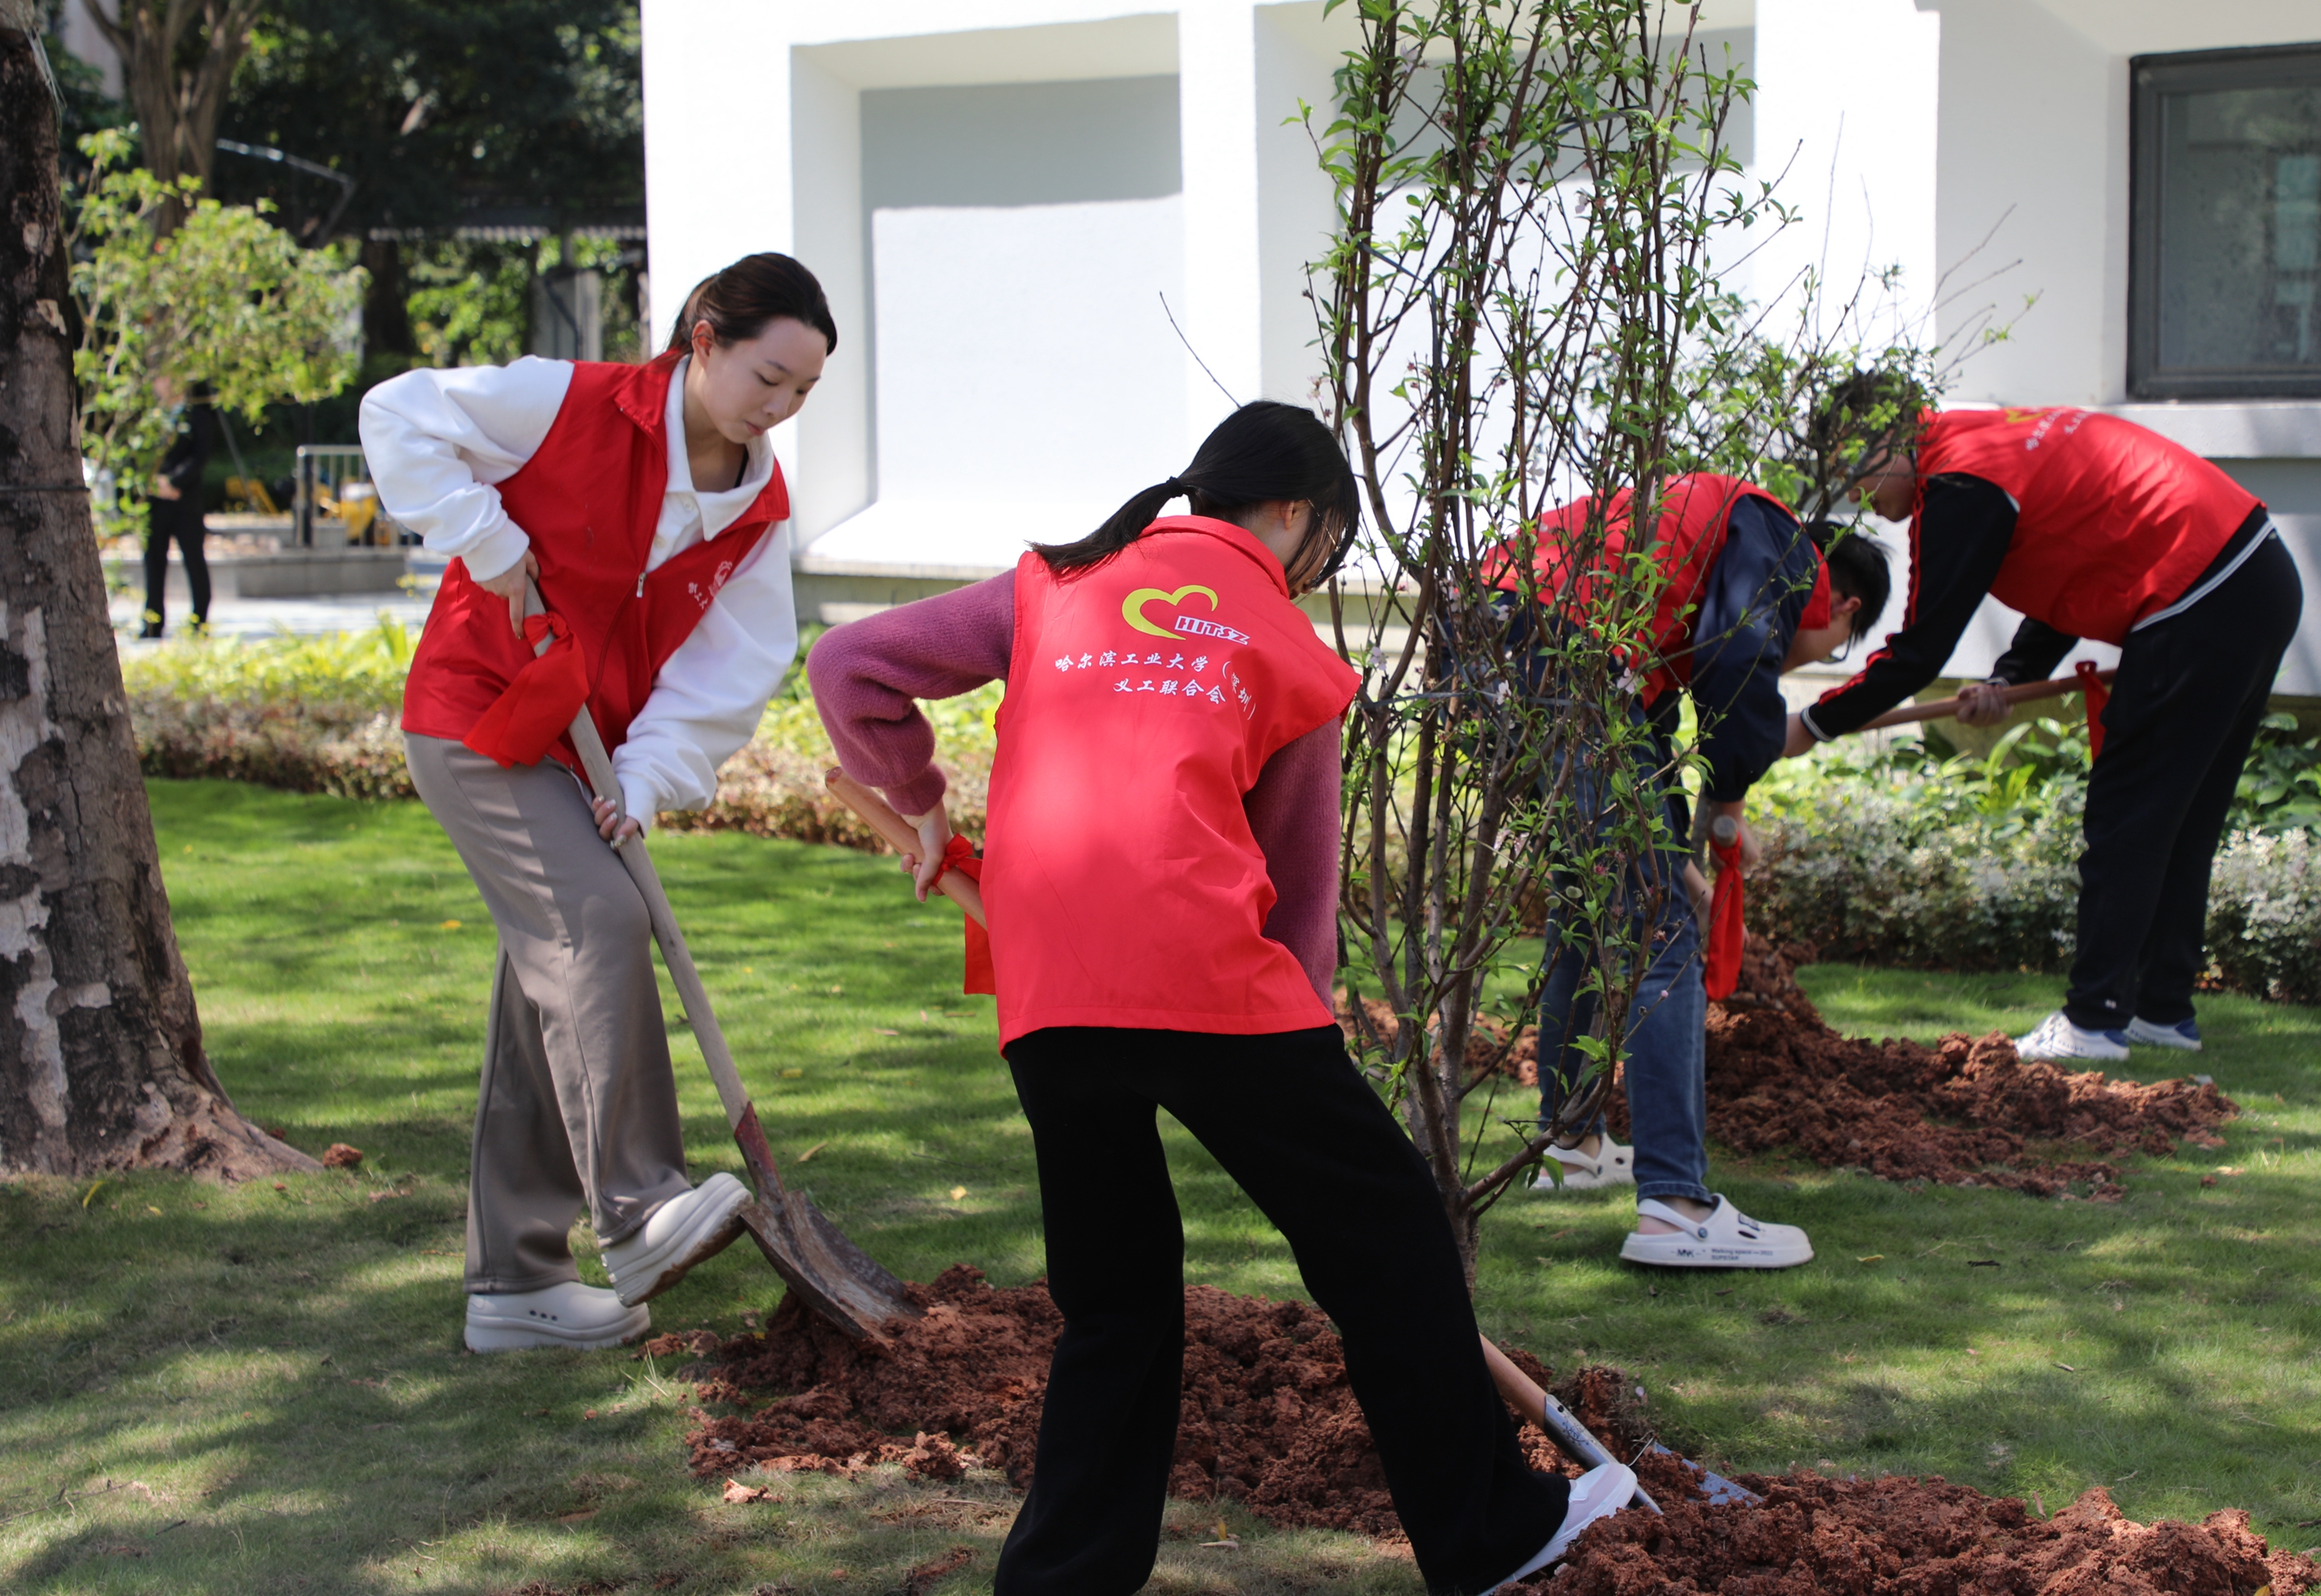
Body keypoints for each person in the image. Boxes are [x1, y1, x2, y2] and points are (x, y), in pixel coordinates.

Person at [807, 403, 1636, 1596]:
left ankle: (1060, 1582)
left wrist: (922, 799)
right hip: (1206, 981)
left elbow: (849, 666)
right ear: (1299, 514)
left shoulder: (1054, 582)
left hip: (1049, 990)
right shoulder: (1288, 643)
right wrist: (1305, 1037)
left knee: (1116, 1298)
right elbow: (1300, 895)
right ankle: (1494, 1536)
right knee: (1389, 1238)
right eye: (1330, 543)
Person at [360, 253, 834, 1352]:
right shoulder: (563, 400)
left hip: (589, 758)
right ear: (703, 337)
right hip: (479, 719)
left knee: (546, 996)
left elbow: (730, 666)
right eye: (769, 376)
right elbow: (399, 413)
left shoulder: (757, 504)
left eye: (803, 391)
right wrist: (484, 534)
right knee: (596, 924)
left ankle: (513, 1287)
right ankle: (635, 1210)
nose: (782, 408)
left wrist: (648, 779)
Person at [1789, 405, 2303, 1063]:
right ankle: (2161, 1009)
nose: (1854, 494)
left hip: (2198, 593)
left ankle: (2094, 1021)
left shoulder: (1959, 482)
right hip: (2255, 575)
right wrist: (2012, 676)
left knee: (2130, 815)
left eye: (1850, 471)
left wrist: (1812, 723)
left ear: (1887, 437)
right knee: (2181, 818)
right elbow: (2076, 564)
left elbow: (1920, 652)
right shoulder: (1990, 444)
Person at [1496, 474, 1890, 1269]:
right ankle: (1676, 1204)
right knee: (1660, 937)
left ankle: (1573, 1141)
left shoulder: (1695, 563)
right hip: (1566, 656)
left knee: (1589, 912)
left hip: (1509, 635)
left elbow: (1658, 710)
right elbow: (1740, 661)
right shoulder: (1782, 547)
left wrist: (1677, 851)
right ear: (1843, 608)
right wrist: (1728, 807)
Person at [139, 376, 220, 639]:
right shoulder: (151, 419)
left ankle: (200, 624)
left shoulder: (198, 417)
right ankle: (153, 623)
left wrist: (172, 482)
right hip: (155, 502)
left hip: (185, 501)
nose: (157, 385)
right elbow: (139, 455)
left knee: (194, 559)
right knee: (153, 561)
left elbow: (200, 456)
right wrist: (152, 482)